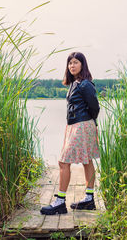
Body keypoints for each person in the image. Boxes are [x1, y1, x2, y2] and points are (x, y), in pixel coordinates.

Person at [40, 52, 100, 215]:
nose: (72, 66)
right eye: (70, 63)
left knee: (63, 162)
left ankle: (60, 202)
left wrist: (87, 122)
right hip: (75, 125)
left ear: (82, 64)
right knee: (86, 160)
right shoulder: (75, 83)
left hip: (82, 125)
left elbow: (95, 107)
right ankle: (89, 199)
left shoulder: (85, 84)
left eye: (75, 62)